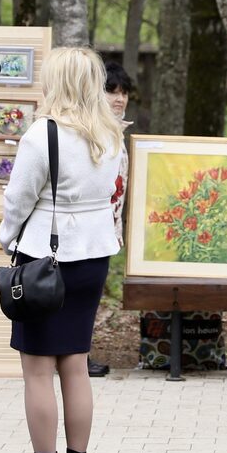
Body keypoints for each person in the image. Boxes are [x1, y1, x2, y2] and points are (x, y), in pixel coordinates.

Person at [0, 48, 127, 453]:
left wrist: (5, 238)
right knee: (75, 365)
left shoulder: (42, 134)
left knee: (37, 370)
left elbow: (18, 199)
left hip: (44, 259)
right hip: (93, 258)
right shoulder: (110, 134)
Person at [85, 60, 136, 379]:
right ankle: (76, 355)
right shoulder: (94, 133)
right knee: (81, 295)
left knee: (93, 294)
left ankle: (79, 352)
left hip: (107, 229)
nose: (119, 99)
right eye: (111, 91)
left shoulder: (116, 131)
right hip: (88, 228)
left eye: (124, 92)